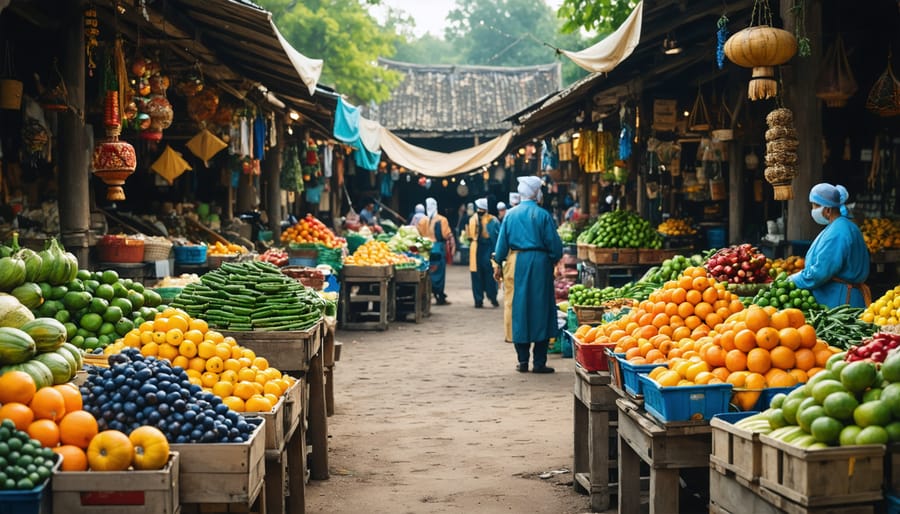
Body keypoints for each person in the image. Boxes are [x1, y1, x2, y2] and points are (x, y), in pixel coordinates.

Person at [493, 176, 563, 373]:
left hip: (517, 264)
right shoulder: (542, 215)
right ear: (536, 193)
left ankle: (522, 361)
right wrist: (553, 258)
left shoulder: (510, 215)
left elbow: (501, 246)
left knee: (520, 308)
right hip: (540, 264)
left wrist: (498, 261)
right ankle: (539, 363)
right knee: (542, 308)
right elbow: (555, 246)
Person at [790, 183, 871, 308]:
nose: (812, 210)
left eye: (815, 206)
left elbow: (820, 272)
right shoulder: (842, 226)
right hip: (840, 297)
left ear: (828, 210)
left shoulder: (838, 232)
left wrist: (792, 280)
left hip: (841, 301)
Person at [417, 197, 454, 305]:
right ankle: (439, 295)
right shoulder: (442, 220)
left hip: (426, 250)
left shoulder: (422, 221)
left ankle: (428, 293)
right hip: (438, 249)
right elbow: (445, 234)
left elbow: (419, 234)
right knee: (440, 273)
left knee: (427, 272)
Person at [466, 198, 500, 308]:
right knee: (477, 275)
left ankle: (489, 297)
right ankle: (480, 299)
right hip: (478, 249)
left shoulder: (491, 220)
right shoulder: (475, 219)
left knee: (489, 274)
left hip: (487, 249)